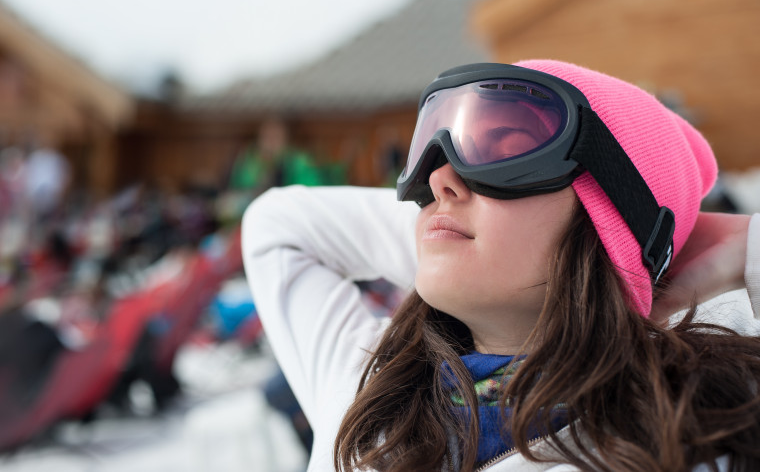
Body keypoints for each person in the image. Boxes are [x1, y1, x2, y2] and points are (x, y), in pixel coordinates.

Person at [242, 61, 760, 471]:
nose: (439, 179)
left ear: (608, 220)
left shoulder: (690, 430)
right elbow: (278, 225)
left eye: (503, 150)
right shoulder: (366, 386)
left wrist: (730, 244)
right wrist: (447, 237)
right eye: (431, 149)